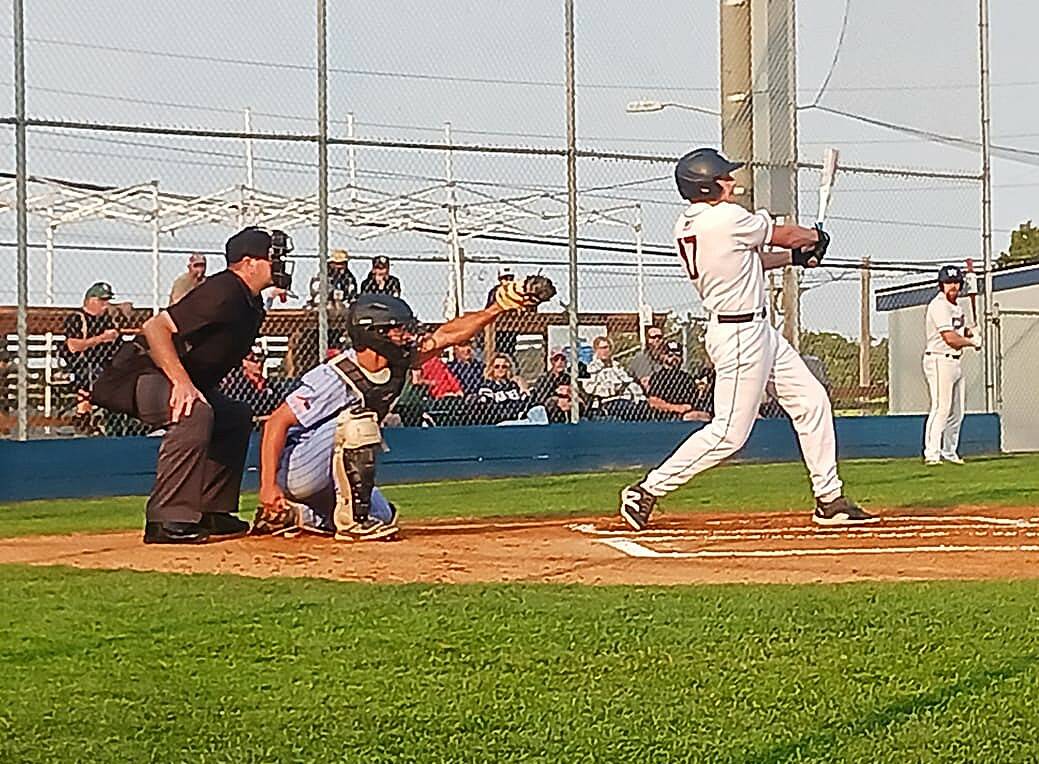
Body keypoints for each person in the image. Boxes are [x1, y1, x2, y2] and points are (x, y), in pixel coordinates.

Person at [618, 147, 871, 531]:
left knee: (812, 401)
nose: (732, 181)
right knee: (730, 433)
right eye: (724, 176)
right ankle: (646, 490)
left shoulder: (689, 223)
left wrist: (797, 258)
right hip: (738, 335)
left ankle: (829, 499)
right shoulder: (725, 217)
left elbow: (750, 258)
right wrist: (814, 237)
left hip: (757, 331)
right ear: (705, 186)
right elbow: (784, 234)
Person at [252, 275, 555, 540]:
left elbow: (447, 335)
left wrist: (497, 308)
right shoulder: (337, 374)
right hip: (298, 469)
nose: (406, 335)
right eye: (396, 329)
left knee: (384, 518)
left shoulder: (398, 359)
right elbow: (276, 423)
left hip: (331, 469)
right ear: (374, 333)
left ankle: (298, 516)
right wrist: (267, 486)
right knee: (358, 422)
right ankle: (350, 523)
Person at [91, 227, 296, 544]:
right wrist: (182, 384)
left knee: (234, 415)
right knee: (193, 412)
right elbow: (156, 327)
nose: (280, 264)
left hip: (167, 374)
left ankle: (211, 511)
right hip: (137, 373)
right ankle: (167, 518)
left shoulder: (249, 301)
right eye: (272, 257)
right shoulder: (224, 289)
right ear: (248, 263)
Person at [923, 264, 981, 465]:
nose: (953, 286)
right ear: (941, 285)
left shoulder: (957, 307)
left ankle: (949, 451)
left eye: (956, 282)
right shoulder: (938, 305)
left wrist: (971, 331)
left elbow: (959, 331)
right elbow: (949, 338)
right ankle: (932, 453)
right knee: (941, 407)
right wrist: (972, 342)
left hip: (955, 360)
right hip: (939, 358)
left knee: (957, 411)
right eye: (948, 283)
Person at [62, 282, 122, 432]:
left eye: (107, 301)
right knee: (91, 374)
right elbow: (73, 346)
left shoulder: (107, 319)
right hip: (82, 362)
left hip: (108, 362)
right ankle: (83, 416)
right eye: (102, 301)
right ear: (91, 300)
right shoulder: (77, 318)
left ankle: (106, 418)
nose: (105, 305)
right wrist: (101, 338)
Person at [582, 335, 646, 420]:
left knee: (645, 406)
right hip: (608, 401)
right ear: (596, 350)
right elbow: (589, 388)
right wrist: (613, 389)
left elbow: (629, 381)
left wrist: (639, 395)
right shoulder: (591, 369)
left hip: (629, 398)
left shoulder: (617, 366)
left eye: (607, 348)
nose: (605, 351)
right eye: (602, 348)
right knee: (629, 409)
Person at [646, 340, 712, 422]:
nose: (674, 358)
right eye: (670, 355)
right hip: (668, 417)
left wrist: (703, 392)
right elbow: (653, 402)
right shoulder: (658, 377)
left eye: (677, 355)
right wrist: (677, 408)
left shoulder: (686, 377)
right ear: (663, 357)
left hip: (689, 412)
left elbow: (695, 400)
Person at [220, 346, 287, 420]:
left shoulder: (271, 385)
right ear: (244, 363)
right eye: (253, 360)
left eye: (261, 359)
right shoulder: (236, 386)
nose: (259, 364)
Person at [476, 353, 530, 424]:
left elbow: (525, 402)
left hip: (518, 419)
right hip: (499, 421)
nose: (500, 369)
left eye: (504, 366)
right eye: (497, 366)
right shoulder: (487, 386)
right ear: (492, 368)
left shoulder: (514, 385)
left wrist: (522, 387)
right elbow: (490, 409)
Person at [485, 268, 519, 356]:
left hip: (512, 327)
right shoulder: (495, 292)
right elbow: (489, 309)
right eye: (505, 278)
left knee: (510, 350)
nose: (508, 281)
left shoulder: (516, 292)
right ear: (500, 280)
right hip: (498, 328)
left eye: (510, 278)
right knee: (497, 350)